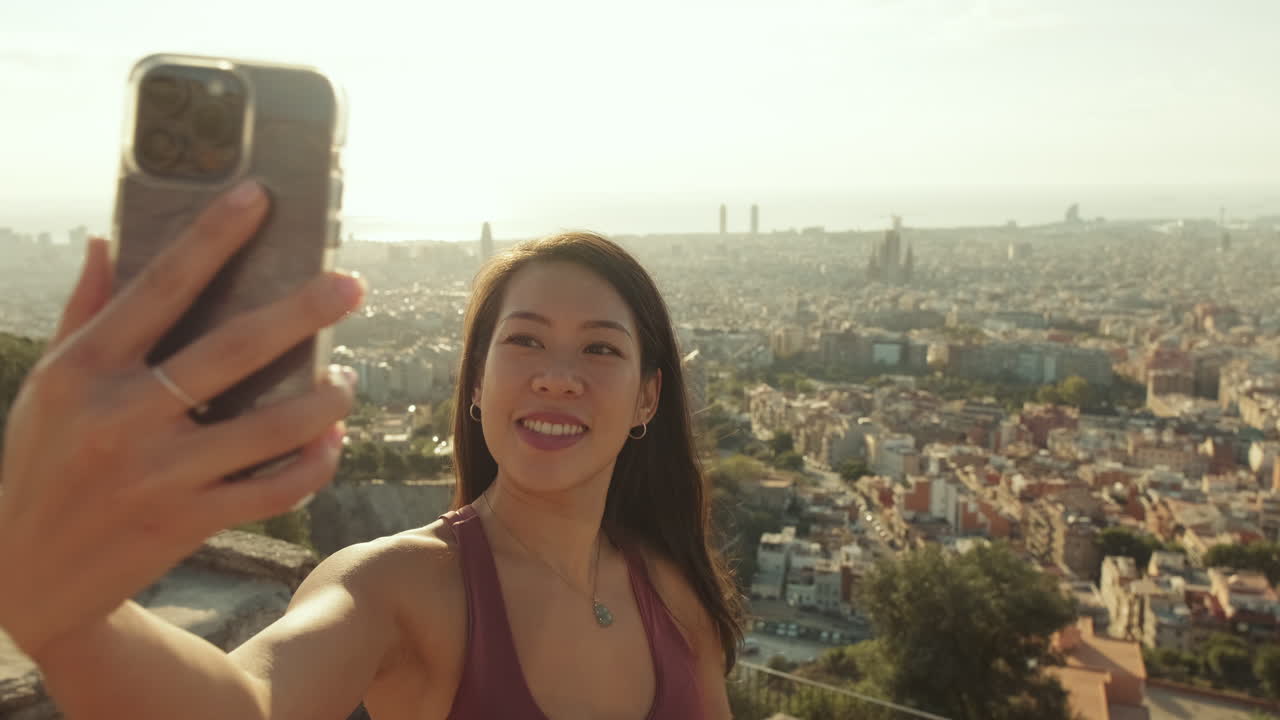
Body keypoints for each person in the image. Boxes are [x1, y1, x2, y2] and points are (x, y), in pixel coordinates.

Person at [0, 180, 745, 719]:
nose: (556, 377)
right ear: (477, 384)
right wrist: (72, 618)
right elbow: (255, 704)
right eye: (524, 340)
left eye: (600, 349)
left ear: (648, 397)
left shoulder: (674, 592)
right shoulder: (401, 589)